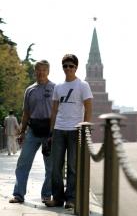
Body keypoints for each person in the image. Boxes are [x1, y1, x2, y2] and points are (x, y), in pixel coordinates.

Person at [45, 54, 93, 209]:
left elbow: (88, 107)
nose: (68, 68)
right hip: (59, 130)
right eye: (65, 65)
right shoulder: (58, 87)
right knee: (55, 167)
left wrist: (85, 128)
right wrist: (51, 132)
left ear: (76, 67)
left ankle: (71, 199)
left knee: (72, 167)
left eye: (71, 65)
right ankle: (57, 198)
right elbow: (54, 110)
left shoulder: (83, 85)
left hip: (75, 130)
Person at [9, 60, 55, 203]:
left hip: (49, 131)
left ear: (48, 71)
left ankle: (46, 194)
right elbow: (26, 113)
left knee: (51, 166)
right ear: (35, 71)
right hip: (33, 130)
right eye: (38, 70)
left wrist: (54, 133)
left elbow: (57, 112)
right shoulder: (29, 90)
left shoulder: (55, 88)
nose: (41, 72)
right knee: (23, 163)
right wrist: (22, 131)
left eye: (44, 70)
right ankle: (18, 194)